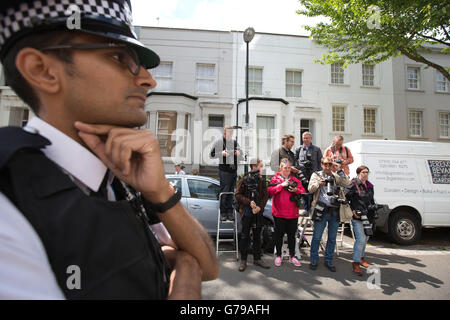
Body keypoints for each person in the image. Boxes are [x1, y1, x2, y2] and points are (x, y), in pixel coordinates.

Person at [0, 0, 218, 299]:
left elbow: (208, 266)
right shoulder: (10, 200)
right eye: (118, 57)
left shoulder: (122, 174)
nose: (148, 80)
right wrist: (185, 273)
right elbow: (189, 263)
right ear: (42, 70)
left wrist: (160, 192)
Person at [308, 157, 350, 272]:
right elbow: (310, 189)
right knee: (317, 237)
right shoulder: (316, 175)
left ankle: (328, 260)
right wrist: (319, 184)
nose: (327, 167)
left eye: (329, 164)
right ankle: (314, 260)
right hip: (321, 210)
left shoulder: (335, 175)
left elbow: (347, 183)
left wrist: (340, 169)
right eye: (325, 164)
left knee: (332, 238)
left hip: (334, 210)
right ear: (321, 164)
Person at [268, 158, 306, 267]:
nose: (287, 170)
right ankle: (279, 255)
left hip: (292, 213)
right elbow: (270, 191)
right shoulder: (275, 179)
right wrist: (281, 185)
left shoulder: (294, 179)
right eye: (285, 168)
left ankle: (292, 256)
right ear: (280, 168)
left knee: (291, 236)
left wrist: (296, 190)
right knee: (279, 236)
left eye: (289, 168)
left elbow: (303, 191)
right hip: (279, 213)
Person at [235, 158, 270, 272]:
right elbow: (237, 195)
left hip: (258, 212)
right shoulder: (244, 179)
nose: (262, 168)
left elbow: (265, 195)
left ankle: (257, 258)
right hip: (247, 212)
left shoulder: (261, 180)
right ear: (254, 167)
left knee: (257, 236)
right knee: (245, 236)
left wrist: (260, 207)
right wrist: (249, 202)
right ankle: (243, 260)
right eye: (260, 166)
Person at [345, 166, 377, 276]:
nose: (366, 174)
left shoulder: (369, 186)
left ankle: (362, 258)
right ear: (358, 173)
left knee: (366, 238)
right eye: (363, 172)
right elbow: (345, 197)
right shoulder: (353, 184)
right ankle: (356, 263)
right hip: (357, 217)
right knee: (361, 239)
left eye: (367, 172)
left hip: (368, 216)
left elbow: (371, 200)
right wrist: (352, 210)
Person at [210, 125, 243, 221]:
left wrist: (238, 153)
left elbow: (241, 153)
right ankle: (223, 213)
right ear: (224, 133)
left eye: (230, 133)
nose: (229, 135)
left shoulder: (234, 142)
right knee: (224, 193)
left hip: (233, 171)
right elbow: (211, 155)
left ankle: (230, 212)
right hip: (224, 171)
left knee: (231, 193)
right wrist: (221, 153)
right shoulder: (219, 142)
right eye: (227, 133)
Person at [294, 131, 323, 213]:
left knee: (313, 193)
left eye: (307, 138)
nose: (305, 139)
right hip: (303, 175)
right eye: (304, 138)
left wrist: (320, 174)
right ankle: (306, 210)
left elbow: (320, 162)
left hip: (314, 175)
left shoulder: (316, 149)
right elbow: (295, 161)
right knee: (304, 193)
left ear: (311, 139)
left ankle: (312, 210)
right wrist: (299, 169)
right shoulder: (298, 149)